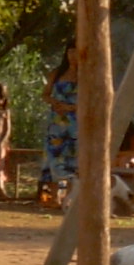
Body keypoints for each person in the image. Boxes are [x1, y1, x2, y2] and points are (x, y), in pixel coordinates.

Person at [41, 48, 80, 208]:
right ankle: (50, 197)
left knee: (73, 159)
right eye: (70, 52)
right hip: (57, 123)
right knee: (52, 157)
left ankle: (69, 198)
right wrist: (55, 103)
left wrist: (72, 107)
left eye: (76, 52)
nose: (73, 56)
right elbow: (45, 94)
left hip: (75, 123)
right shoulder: (56, 74)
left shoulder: (86, 75)